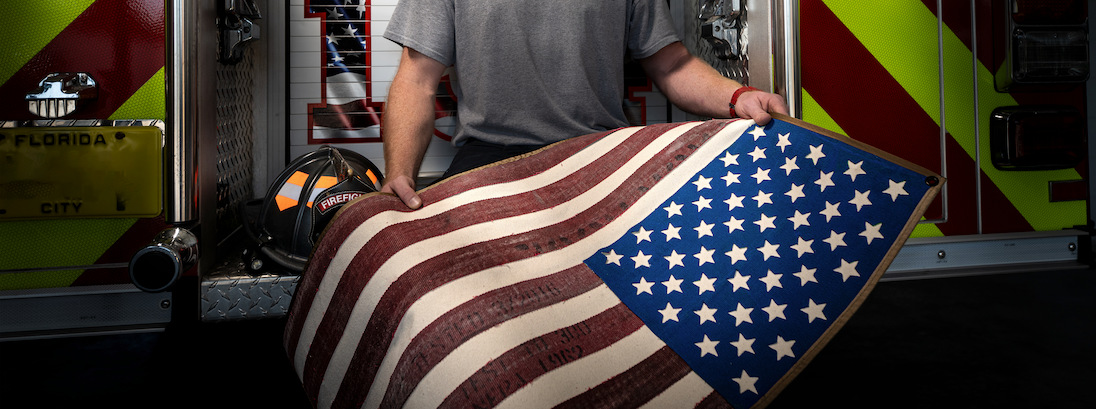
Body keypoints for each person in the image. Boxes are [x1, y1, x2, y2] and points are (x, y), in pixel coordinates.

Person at [380, 0, 789, 210]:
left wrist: (736, 97)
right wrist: (399, 174)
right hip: (490, 160)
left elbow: (673, 64)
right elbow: (416, 80)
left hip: (601, 157)